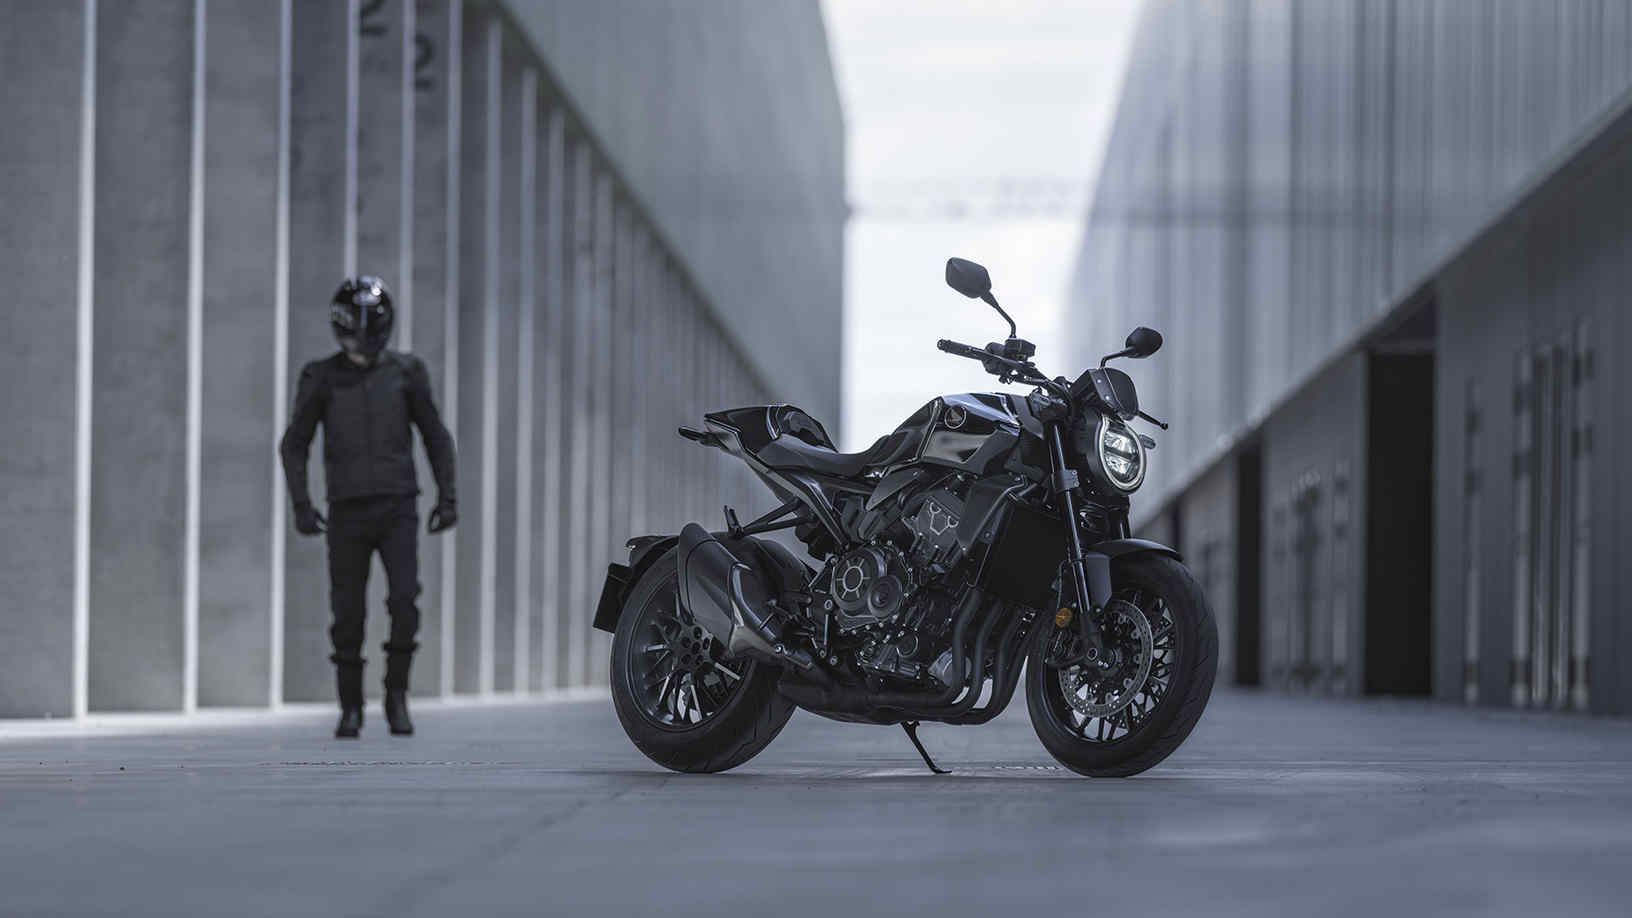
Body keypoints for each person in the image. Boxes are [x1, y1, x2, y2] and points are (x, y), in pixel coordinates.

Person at [280, 276, 457, 738]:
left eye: (370, 331)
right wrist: (302, 503)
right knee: (347, 611)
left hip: (398, 505)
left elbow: (435, 435)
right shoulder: (320, 377)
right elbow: (293, 443)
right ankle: (351, 706)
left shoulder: (407, 372)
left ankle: (396, 695)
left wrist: (448, 495)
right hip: (346, 510)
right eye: (354, 332)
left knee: (404, 601)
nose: (362, 342)